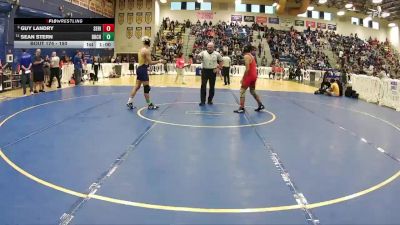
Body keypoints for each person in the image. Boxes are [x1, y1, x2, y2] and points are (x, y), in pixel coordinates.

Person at [126, 36, 164, 110]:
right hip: (143, 70)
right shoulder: (147, 51)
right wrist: (159, 61)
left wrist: (146, 65)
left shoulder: (140, 50)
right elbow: (150, 62)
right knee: (146, 88)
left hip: (139, 68)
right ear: (149, 43)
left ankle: (129, 101)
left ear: (143, 42)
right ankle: (149, 104)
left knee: (137, 86)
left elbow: (145, 61)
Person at [234, 45, 264, 113]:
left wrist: (243, 78)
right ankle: (260, 104)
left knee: (242, 91)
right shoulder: (251, 56)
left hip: (250, 76)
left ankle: (241, 108)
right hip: (254, 76)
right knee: (252, 91)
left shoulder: (246, 56)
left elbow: (247, 69)